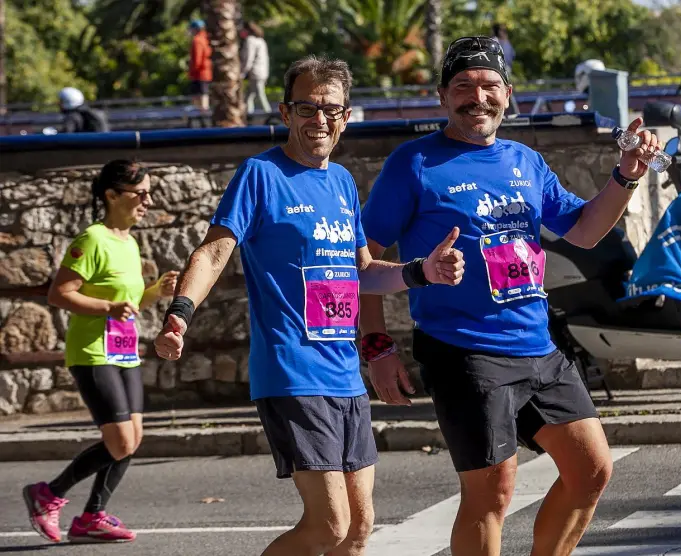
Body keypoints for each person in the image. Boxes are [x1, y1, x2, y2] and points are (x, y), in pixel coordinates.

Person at [359, 36, 660, 556]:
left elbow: (585, 230)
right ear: (442, 97)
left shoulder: (524, 160)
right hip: (464, 351)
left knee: (591, 470)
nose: (478, 97)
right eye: (463, 86)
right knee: (491, 493)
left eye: (489, 85)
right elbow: (364, 261)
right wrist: (377, 347)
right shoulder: (415, 164)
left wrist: (627, 176)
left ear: (508, 94)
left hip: (536, 345)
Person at [152, 55, 464, 556]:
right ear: (285, 111)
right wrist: (179, 315)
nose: (319, 120)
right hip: (292, 370)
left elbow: (362, 272)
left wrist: (419, 271)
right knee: (329, 527)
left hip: (344, 374)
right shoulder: (260, 174)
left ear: (345, 116)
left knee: (359, 532)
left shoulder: (340, 182)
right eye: (307, 107)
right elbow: (214, 252)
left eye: (331, 110)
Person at [22, 160, 178, 544]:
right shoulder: (91, 240)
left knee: (133, 438)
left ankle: (92, 517)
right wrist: (106, 309)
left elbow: (130, 303)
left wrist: (156, 291)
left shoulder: (129, 241)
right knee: (121, 441)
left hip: (123, 350)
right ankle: (49, 494)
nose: (147, 200)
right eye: (140, 193)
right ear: (111, 195)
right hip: (92, 351)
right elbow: (59, 294)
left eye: (149, 193)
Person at [240, 21, 272, 114]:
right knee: (249, 95)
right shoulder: (261, 40)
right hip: (263, 72)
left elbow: (248, 58)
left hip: (255, 73)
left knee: (260, 94)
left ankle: (269, 114)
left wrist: (243, 72)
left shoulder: (250, 40)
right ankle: (249, 114)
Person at [492, 24, 520, 115]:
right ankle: (499, 113)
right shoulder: (494, 41)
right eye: (502, 31)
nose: (504, 33)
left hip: (505, 70)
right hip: (496, 70)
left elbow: (511, 56)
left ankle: (513, 113)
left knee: (507, 92)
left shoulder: (506, 42)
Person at [187, 19, 213, 111]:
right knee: (204, 95)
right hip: (206, 73)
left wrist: (192, 71)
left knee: (200, 98)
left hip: (199, 74)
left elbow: (197, 59)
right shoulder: (206, 39)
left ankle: (202, 118)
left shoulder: (197, 40)